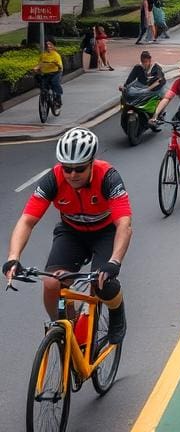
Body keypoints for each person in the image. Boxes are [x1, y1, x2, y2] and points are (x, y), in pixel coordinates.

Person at [3, 128, 131, 343]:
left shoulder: (109, 177)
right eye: (67, 168)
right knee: (52, 283)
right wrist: (13, 257)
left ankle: (118, 313)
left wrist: (114, 261)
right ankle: (63, 330)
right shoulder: (53, 179)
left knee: (102, 284)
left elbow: (124, 224)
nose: (72, 174)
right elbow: (27, 220)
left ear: (91, 163)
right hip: (72, 232)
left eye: (79, 168)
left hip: (105, 233)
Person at [32, 37, 64, 109]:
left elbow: (60, 66)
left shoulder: (56, 55)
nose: (49, 46)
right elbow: (40, 64)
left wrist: (57, 64)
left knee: (55, 82)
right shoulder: (43, 55)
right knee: (42, 85)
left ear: (53, 46)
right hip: (46, 73)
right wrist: (36, 68)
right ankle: (45, 98)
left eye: (50, 44)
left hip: (56, 72)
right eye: (47, 44)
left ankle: (58, 99)